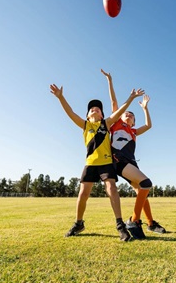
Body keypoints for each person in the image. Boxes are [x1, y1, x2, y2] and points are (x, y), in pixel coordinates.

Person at [50, 82, 144, 241]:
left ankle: (120, 226)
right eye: (91, 108)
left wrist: (131, 98)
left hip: (106, 163)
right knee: (83, 194)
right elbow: (70, 112)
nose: (95, 109)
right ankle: (79, 223)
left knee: (111, 188)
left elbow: (120, 110)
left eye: (98, 108)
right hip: (91, 164)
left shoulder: (106, 124)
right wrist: (61, 97)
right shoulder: (85, 125)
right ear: (87, 115)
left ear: (102, 115)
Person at [101, 69, 167, 239]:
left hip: (131, 163)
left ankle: (151, 223)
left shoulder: (133, 132)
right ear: (120, 117)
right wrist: (110, 80)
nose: (128, 115)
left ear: (133, 121)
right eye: (126, 114)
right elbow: (114, 101)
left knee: (142, 194)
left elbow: (149, 125)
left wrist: (145, 108)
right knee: (146, 183)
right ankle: (134, 220)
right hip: (118, 161)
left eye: (131, 115)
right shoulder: (115, 125)